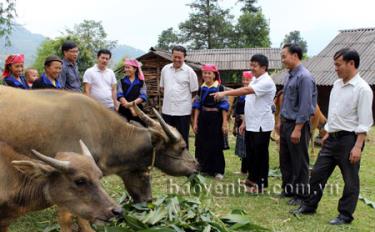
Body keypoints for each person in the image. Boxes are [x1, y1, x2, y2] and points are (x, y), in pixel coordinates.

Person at [292, 48, 373, 225]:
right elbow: (335, 112)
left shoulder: (363, 90)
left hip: (349, 141)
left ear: (351, 64)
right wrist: (328, 131)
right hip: (332, 138)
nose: (335, 68)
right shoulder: (336, 84)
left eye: (338, 64)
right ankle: (309, 205)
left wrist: (358, 146)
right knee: (317, 174)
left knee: (350, 180)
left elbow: (365, 121)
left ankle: (345, 215)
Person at [213, 54, 276, 193]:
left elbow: (246, 91)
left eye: (255, 65)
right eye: (251, 65)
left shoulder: (267, 81)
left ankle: (261, 184)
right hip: (252, 122)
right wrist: (244, 123)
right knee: (251, 153)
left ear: (264, 67)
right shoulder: (255, 79)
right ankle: (252, 179)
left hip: (262, 124)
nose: (252, 68)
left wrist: (225, 94)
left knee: (260, 154)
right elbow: (250, 102)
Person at [276, 44, 317, 203]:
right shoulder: (289, 76)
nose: (283, 59)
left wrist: (298, 128)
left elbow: (306, 105)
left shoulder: (304, 77)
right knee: (285, 159)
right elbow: (285, 101)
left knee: (299, 161)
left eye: (284, 56)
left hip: (297, 125)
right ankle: (288, 190)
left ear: (295, 55)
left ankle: (301, 195)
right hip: (286, 123)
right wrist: (280, 120)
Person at [192, 64, 229, 180]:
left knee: (216, 144)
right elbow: (197, 106)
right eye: (204, 73)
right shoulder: (201, 88)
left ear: (214, 75)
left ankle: (218, 170)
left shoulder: (219, 88)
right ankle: (203, 169)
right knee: (201, 143)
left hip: (216, 118)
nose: (206, 75)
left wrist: (224, 123)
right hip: (203, 117)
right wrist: (195, 122)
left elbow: (224, 106)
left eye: (209, 73)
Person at [160, 45, 199, 149]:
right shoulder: (165, 69)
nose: (177, 59)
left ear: (184, 57)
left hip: (183, 112)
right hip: (167, 110)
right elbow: (162, 88)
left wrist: (184, 101)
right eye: (175, 57)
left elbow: (194, 91)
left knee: (182, 139)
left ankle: (185, 162)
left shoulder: (190, 72)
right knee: (167, 138)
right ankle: (169, 161)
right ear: (171, 56)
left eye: (179, 57)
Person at [232, 71, 253, 175]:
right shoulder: (240, 93)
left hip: (250, 122)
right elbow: (236, 107)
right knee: (242, 146)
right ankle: (243, 170)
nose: (245, 81)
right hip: (240, 120)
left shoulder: (252, 92)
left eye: (247, 79)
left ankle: (250, 169)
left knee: (248, 145)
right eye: (244, 79)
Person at [117, 59, 148, 126]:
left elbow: (143, 96)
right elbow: (120, 95)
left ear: (135, 69)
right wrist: (131, 108)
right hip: (123, 110)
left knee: (140, 130)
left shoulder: (141, 82)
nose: (126, 69)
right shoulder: (121, 81)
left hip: (137, 110)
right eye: (125, 67)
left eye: (128, 67)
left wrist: (131, 104)